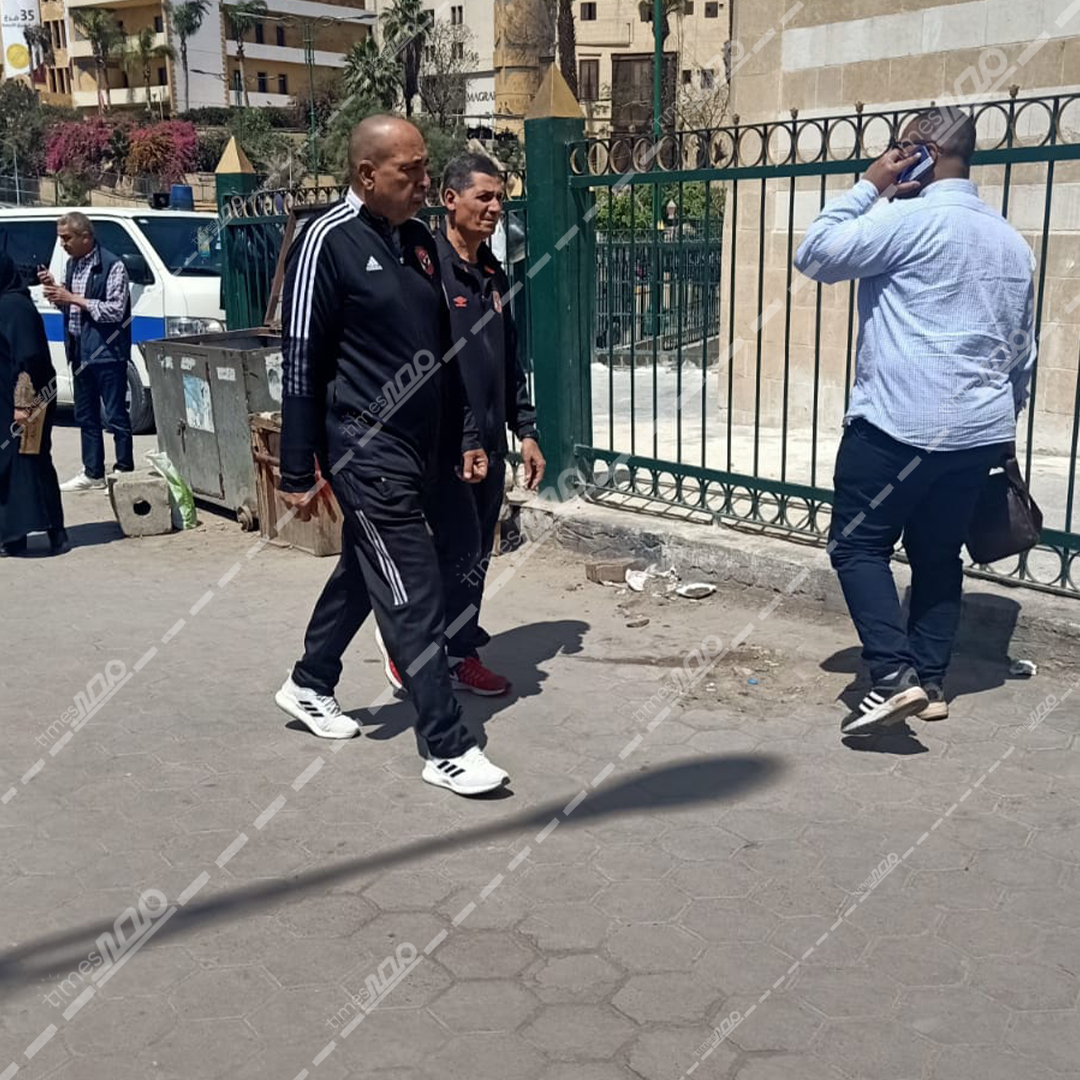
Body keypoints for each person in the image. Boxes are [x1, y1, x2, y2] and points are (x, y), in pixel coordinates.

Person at [273, 115, 511, 797]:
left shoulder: (419, 242)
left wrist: (467, 435)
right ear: (366, 174)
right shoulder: (327, 241)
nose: (425, 181)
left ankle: (310, 680)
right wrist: (297, 467)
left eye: (426, 166)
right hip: (366, 447)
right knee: (414, 587)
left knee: (399, 559)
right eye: (410, 171)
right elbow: (301, 359)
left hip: (428, 447)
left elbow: (445, 352)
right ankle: (446, 745)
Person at [794, 105, 1035, 735]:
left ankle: (892, 677)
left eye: (903, 147)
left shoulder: (905, 219)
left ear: (923, 150)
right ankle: (930, 683)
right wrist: (999, 418)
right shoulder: (1012, 241)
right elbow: (1023, 353)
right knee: (937, 554)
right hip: (977, 434)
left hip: (898, 425)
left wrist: (870, 185)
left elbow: (814, 255)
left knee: (857, 545)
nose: (895, 156)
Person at [374, 152, 545, 697]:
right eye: (484, 197)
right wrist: (466, 438)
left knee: (475, 554)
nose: (495, 208)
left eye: (500, 199)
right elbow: (435, 367)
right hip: (442, 443)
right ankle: (412, 643)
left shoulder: (492, 274)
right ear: (450, 199)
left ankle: (458, 649)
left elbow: (508, 360)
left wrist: (526, 430)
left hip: (490, 443)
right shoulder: (427, 271)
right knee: (444, 549)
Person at [38, 212, 134, 492]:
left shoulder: (112, 265)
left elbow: (115, 311)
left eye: (67, 238)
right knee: (86, 415)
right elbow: (72, 308)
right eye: (60, 238)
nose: (63, 244)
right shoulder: (72, 265)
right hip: (80, 351)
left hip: (107, 352)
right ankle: (93, 472)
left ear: (86, 237)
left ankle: (124, 471)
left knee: (115, 414)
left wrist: (73, 298)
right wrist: (56, 293)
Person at [0, 253, 67, 556]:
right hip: (10, 400)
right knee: (17, 463)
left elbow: (29, 358)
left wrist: (23, 404)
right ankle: (15, 534)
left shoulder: (14, 307)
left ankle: (52, 532)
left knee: (30, 460)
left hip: (28, 400)